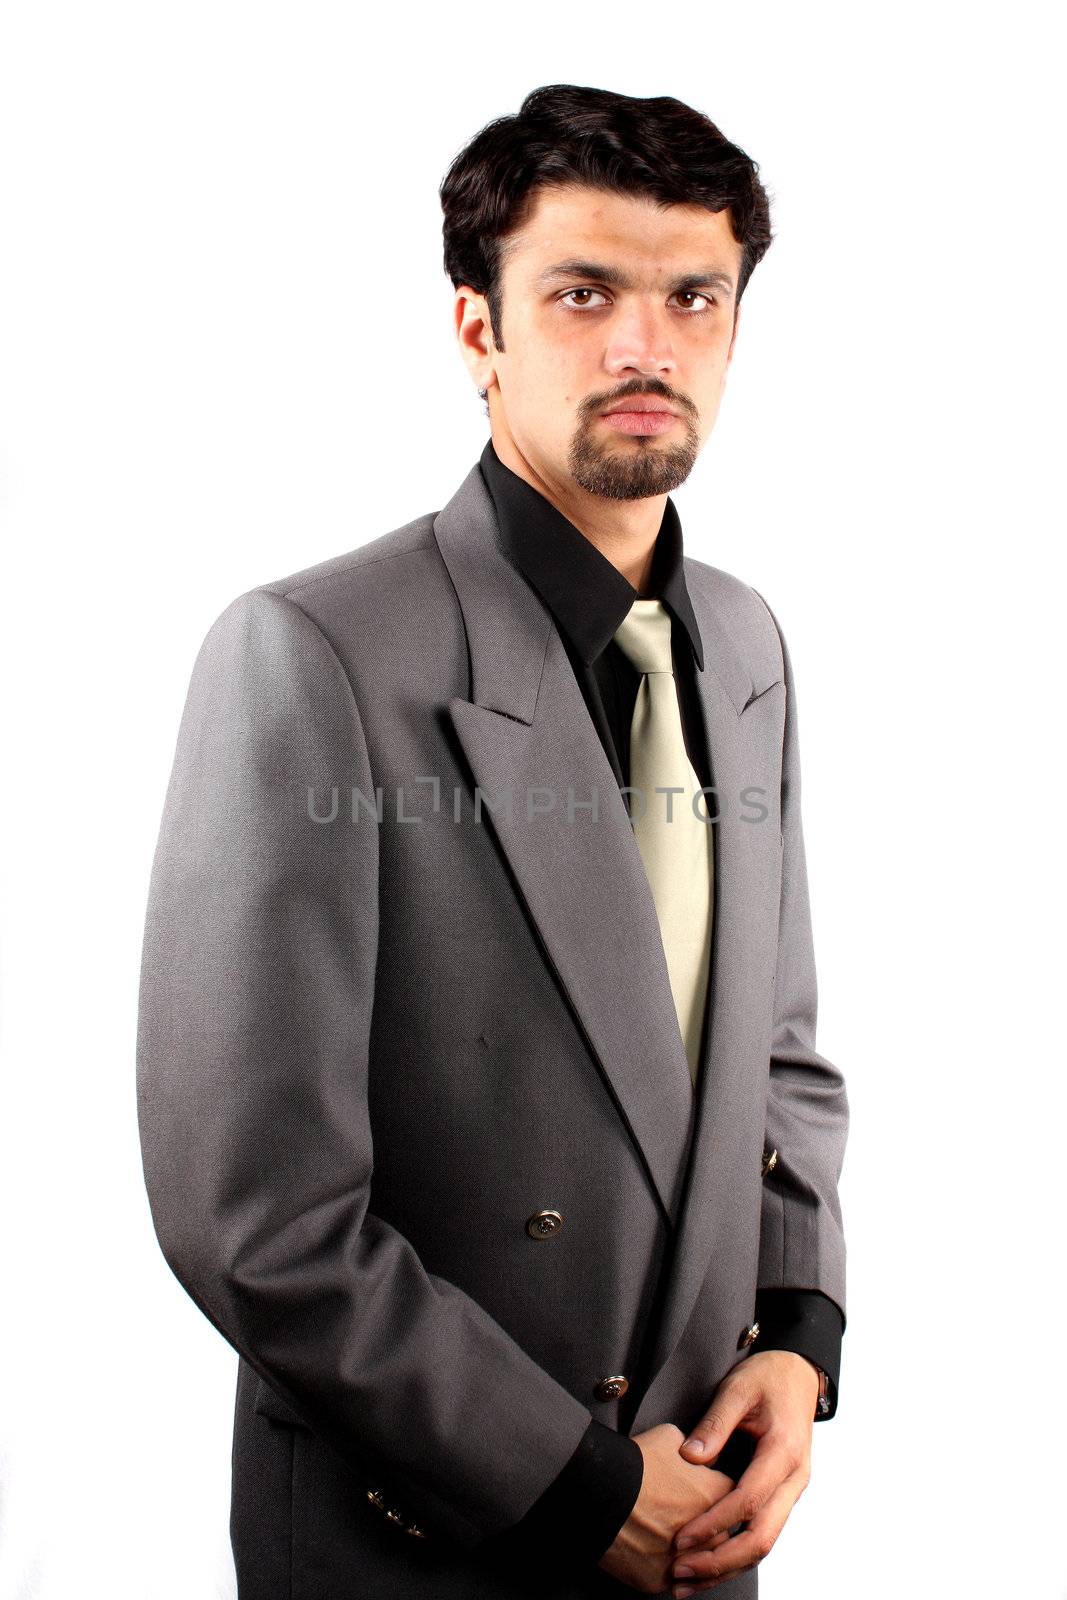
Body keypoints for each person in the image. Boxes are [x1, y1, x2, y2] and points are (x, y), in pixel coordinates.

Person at [136, 82, 848, 1600]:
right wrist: (579, 1484)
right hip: (433, 1536)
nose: (647, 345)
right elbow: (256, 1221)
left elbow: (773, 1058)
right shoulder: (310, 653)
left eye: (693, 297)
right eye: (583, 293)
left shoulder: (746, 640)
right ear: (480, 332)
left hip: (703, 1527)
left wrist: (797, 1335)